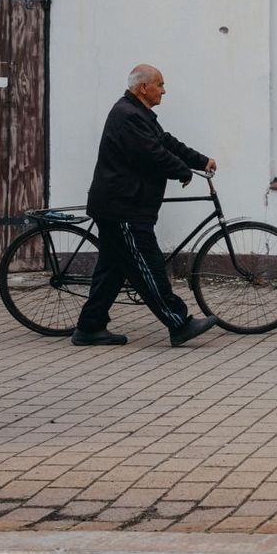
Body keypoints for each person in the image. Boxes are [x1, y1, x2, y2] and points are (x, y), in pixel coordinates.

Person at [72, 64, 221, 347]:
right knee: (148, 266)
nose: (164, 90)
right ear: (144, 87)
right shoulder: (127, 116)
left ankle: (90, 327)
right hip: (124, 207)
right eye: (160, 84)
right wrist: (183, 171)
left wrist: (200, 161)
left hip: (123, 204)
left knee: (113, 269)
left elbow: (165, 142)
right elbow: (152, 154)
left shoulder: (138, 114)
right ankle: (178, 323)